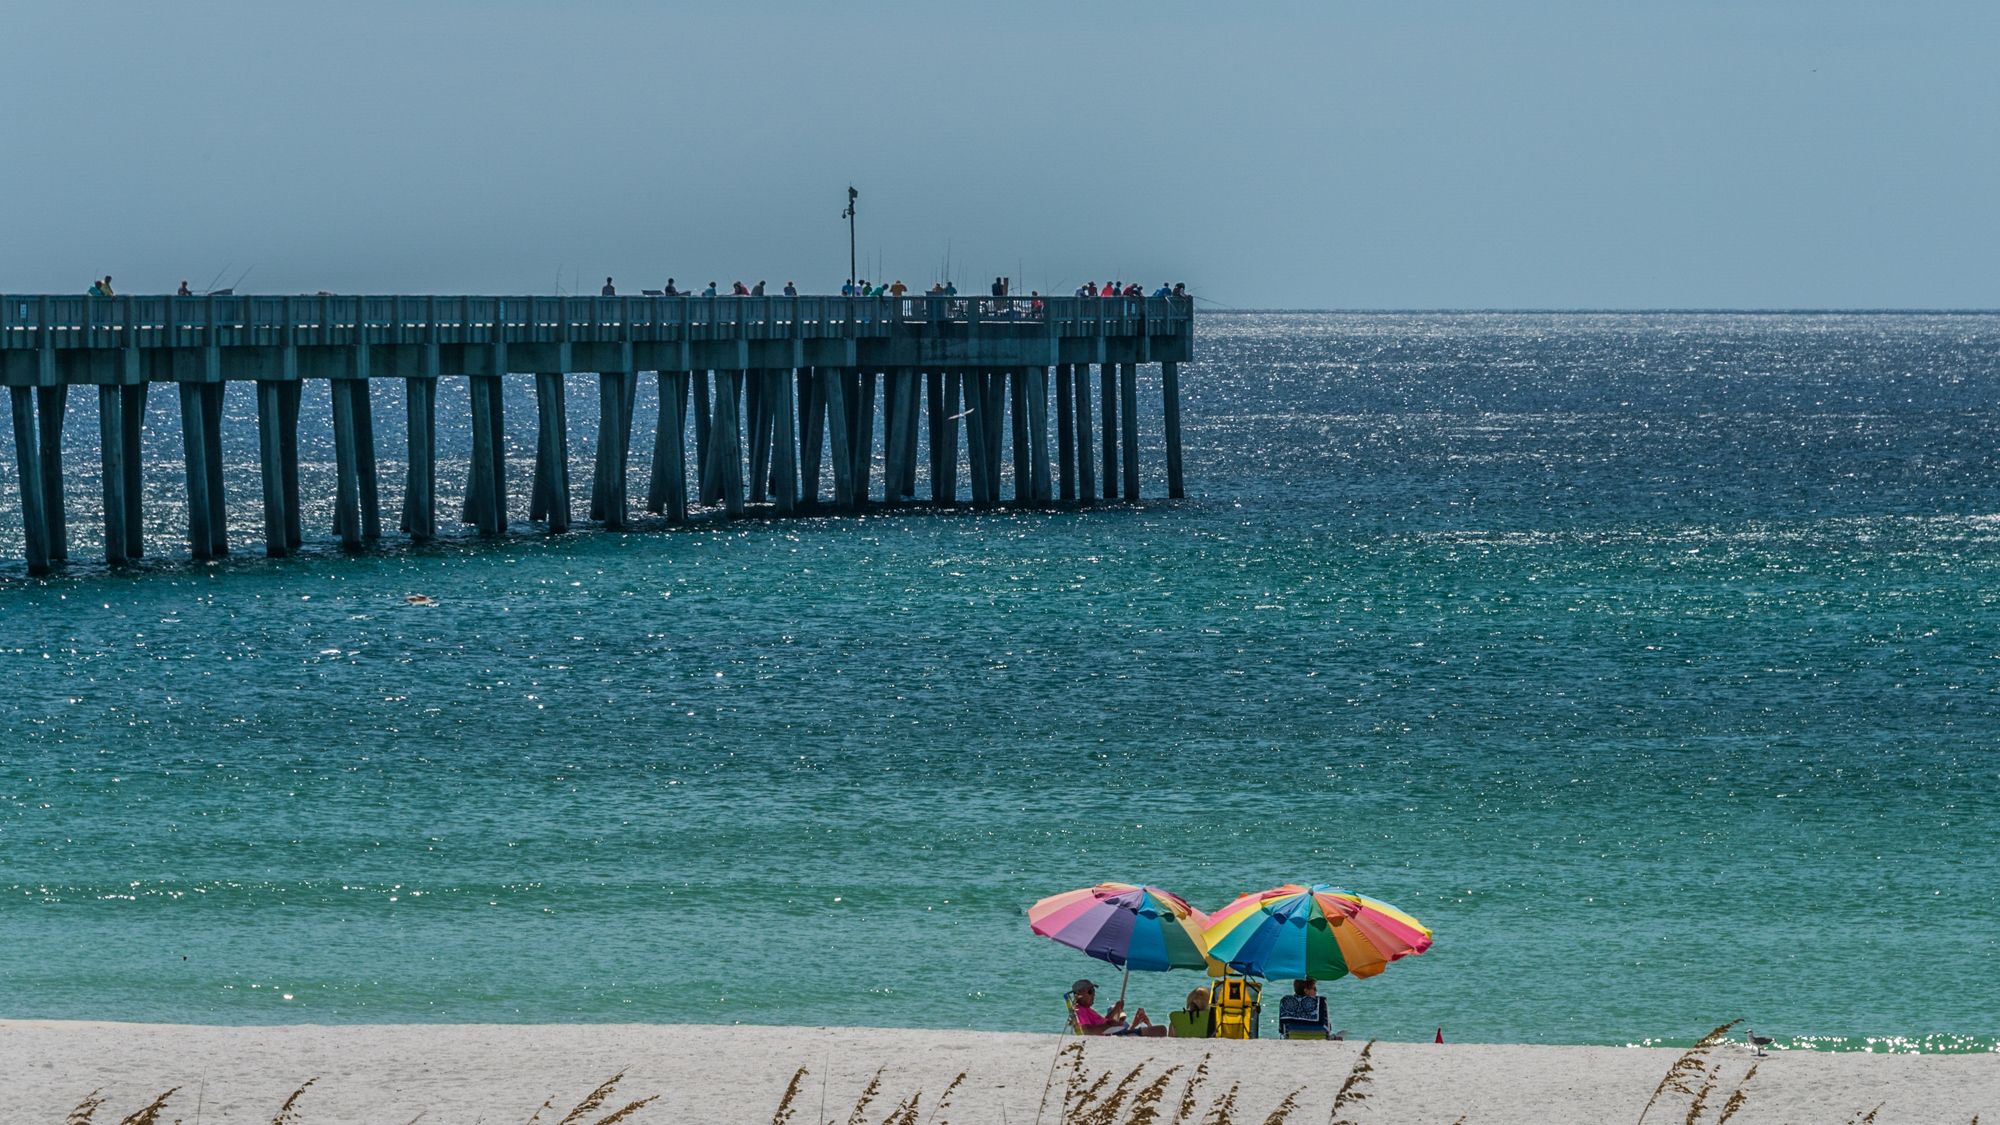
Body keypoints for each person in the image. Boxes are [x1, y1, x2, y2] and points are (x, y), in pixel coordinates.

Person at [1070, 979, 1165, 1038]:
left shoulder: (1087, 1009)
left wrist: (1117, 1008)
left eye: (1094, 991)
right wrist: (1110, 1025)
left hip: (1115, 1031)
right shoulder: (1079, 1010)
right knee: (1161, 1030)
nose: (1094, 994)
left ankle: (1134, 1025)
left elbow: (1104, 1021)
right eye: (1090, 991)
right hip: (1114, 1034)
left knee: (1161, 1030)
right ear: (1079, 994)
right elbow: (1088, 1031)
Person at [1276, 978, 1342, 1039]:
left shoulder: (1285, 1001)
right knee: (1341, 1034)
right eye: (1314, 988)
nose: (1316, 991)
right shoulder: (1321, 1002)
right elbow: (1327, 1028)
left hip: (1292, 1037)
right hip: (1319, 1037)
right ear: (1306, 991)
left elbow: (1282, 1029)